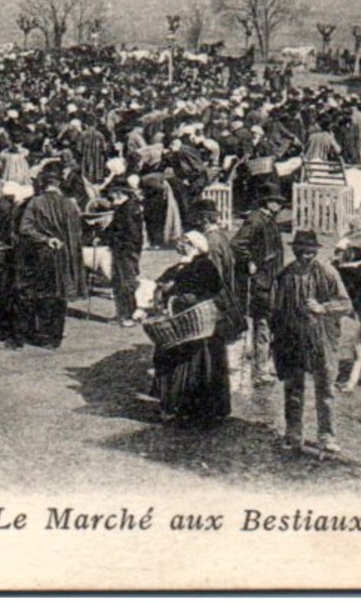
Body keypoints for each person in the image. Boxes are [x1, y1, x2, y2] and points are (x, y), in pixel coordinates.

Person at [269, 230, 349, 454]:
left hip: (322, 339)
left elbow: (345, 304)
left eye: (310, 252)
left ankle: (327, 436)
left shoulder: (327, 272)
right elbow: (275, 310)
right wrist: (276, 340)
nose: (306, 256)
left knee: (325, 390)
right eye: (302, 252)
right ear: (295, 251)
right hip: (292, 339)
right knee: (293, 389)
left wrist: (323, 308)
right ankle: (294, 433)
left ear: (316, 251)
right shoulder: (285, 275)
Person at [150, 230, 231, 426]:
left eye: (185, 244)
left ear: (194, 246)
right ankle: (176, 406)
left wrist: (177, 295)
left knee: (196, 365)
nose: (181, 246)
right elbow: (163, 283)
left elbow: (206, 292)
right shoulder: (181, 265)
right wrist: (162, 289)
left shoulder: (203, 266)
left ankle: (198, 410)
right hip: (182, 324)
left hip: (198, 325)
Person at [14, 169, 87, 349]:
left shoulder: (35, 203)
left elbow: (25, 228)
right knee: (59, 296)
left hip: (43, 256)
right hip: (65, 255)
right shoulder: (70, 205)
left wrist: (45, 239)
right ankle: (55, 338)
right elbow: (79, 230)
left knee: (43, 294)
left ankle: (42, 334)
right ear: (59, 185)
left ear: (43, 184)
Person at [230, 191, 285, 386]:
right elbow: (237, 244)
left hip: (271, 278)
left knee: (267, 323)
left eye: (280, 202)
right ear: (267, 201)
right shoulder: (256, 220)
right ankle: (260, 370)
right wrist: (250, 261)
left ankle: (263, 365)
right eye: (276, 201)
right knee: (262, 323)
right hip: (260, 281)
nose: (279, 205)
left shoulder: (268, 219)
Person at [105, 183, 145, 325]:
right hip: (125, 250)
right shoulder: (128, 207)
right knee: (121, 282)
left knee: (125, 283)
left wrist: (110, 237)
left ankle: (127, 315)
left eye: (112, 194)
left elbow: (130, 234)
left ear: (119, 193)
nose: (111, 197)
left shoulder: (127, 209)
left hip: (125, 251)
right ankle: (124, 314)